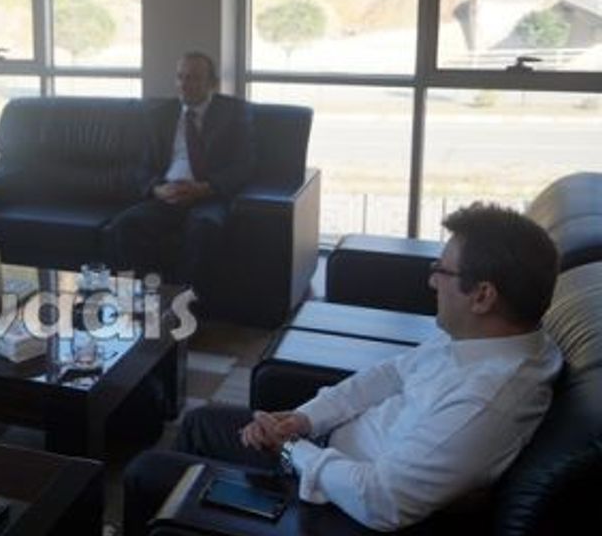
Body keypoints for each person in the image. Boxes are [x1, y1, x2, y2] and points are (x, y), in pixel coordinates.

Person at [123, 203, 563, 533]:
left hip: (337, 503)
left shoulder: (489, 397)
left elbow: (381, 499)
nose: (431, 281)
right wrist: (303, 420)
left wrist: (291, 450)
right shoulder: (482, 341)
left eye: (442, 271)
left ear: (482, 296)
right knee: (201, 423)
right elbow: (388, 375)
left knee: (146, 471)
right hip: (325, 453)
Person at [107, 51, 255, 288]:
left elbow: (243, 165)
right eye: (180, 77)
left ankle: (186, 302)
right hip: (168, 195)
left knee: (204, 229)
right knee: (124, 225)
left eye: (194, 78)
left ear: (213, 83)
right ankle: (148, 294)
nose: (184, 84)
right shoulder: (160, 115)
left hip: (209, 196)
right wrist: (158, 190)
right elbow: (142, 165)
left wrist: (205, 188)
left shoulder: (234, 113)